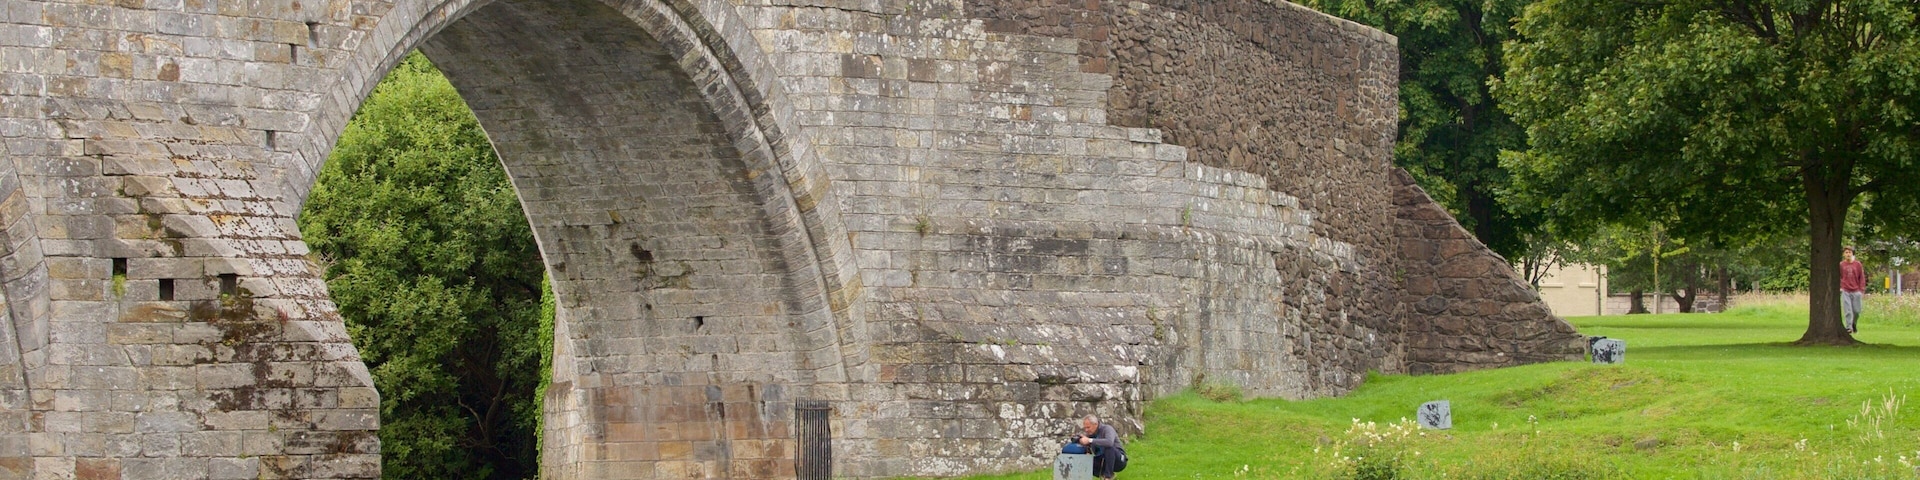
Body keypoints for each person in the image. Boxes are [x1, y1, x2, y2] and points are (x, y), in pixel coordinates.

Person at [1075, 415, 1122, 479]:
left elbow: (1109, 442)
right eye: (1085, 428)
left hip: (1119, 459)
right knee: (1085, 461)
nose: (1086, 430)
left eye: (1088, 427)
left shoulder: (1107, 429)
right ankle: (1103, 475)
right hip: (1102, 459)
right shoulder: (1090, 434)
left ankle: (1108, 476)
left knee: (1109, 448)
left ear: (1095, 424)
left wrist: (1089, 440)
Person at [1841, 246, 1866, 334]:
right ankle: (1849, 328)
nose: (1848, 254)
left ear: (1852, 254)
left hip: (1856, 290)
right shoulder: (1841, 265)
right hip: (1845, 290)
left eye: (1849, 252)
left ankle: (1854, 324)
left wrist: (1861, 289)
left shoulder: (1857, 264)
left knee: (1857, 311)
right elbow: (1839, 276)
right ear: (1844, 254)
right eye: (1846, 252)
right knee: (1848, 310)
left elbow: (1861, 277)